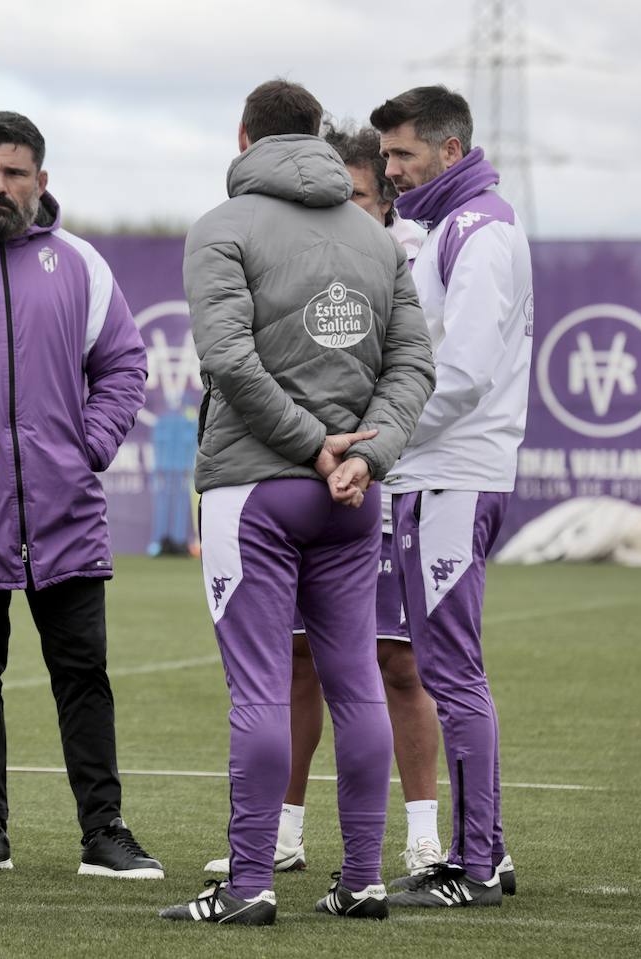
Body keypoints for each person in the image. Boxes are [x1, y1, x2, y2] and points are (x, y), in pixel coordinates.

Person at [160, 79, 434, 926]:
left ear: (243, 135)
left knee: (260, 691)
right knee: (354, 685)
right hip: (350, 497)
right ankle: (362, 880)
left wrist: (309, 444)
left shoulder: (221, 226)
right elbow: (414, 368)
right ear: (318, 137)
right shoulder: (378, 236)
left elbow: (229, 361)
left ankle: (248, 883)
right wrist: (367, 452)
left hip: (257, 488)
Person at [0, 111, 159, 880]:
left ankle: (104, 829)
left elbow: (126, 363)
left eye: (14, 173)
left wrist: (87, 446)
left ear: (41, 181)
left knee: (83, 674)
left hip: (65, 515)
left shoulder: (81, 265)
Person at [370, 85, 532, 908]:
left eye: (403, 154)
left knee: (452, 672)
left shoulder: (477, 229)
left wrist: (379, 438)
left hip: (452, 474)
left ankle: (472, 865)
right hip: (440, 473)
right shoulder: (453, 227)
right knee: (445, 665)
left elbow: (462, 372)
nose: (391, 170)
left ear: (451, 151)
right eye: (388, 156)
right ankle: (487, 854)